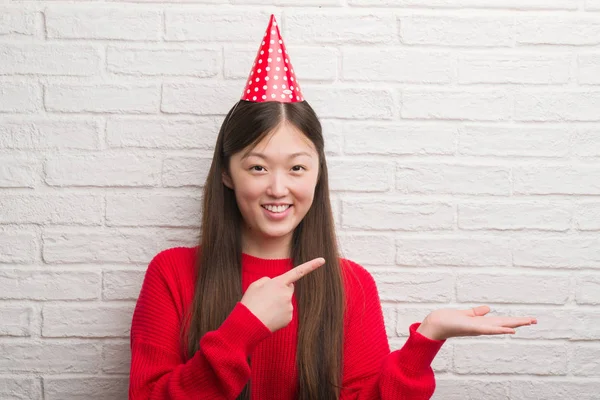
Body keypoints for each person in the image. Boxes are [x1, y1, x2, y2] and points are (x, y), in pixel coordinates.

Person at [128, 15, 537, 400]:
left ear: (318, 173)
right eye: (257, 166)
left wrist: (426, 339)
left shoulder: (351, 285)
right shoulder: (172, 274)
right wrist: (242, 330)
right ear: (226, 173)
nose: (277, 187)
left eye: (297, 168)